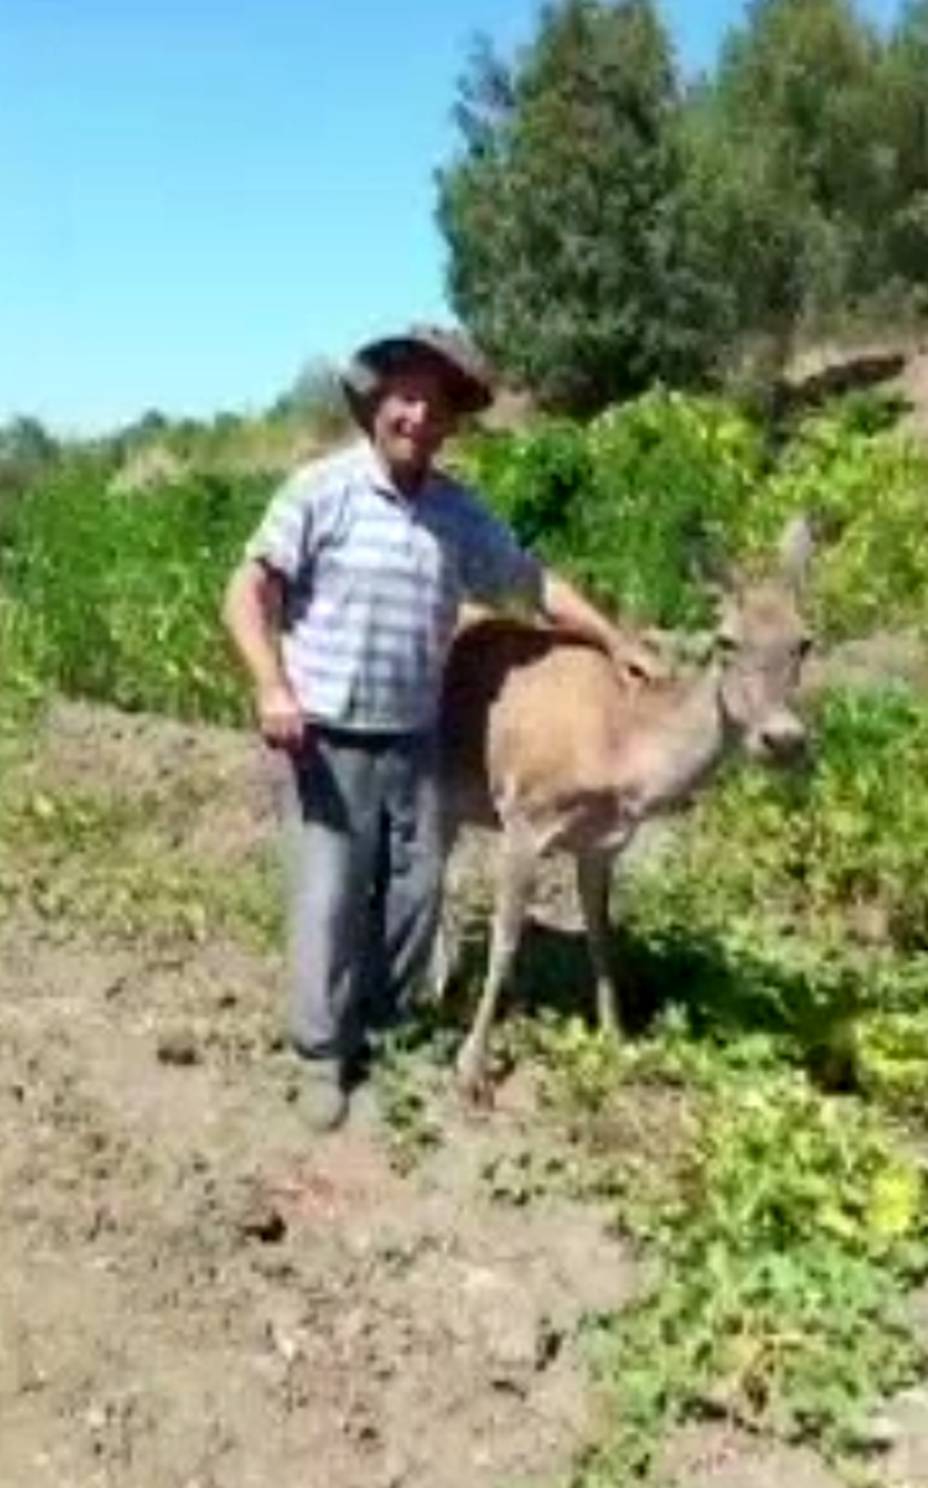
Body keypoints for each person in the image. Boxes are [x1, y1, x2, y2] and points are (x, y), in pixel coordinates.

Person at [222, 325, 655, 1130]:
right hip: (325, 733)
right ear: (376, 403)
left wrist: (613, 638)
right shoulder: (320, 491)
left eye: (437, 402)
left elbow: (531, 583)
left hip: (417, 734)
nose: (419, 414)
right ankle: (324, 1055)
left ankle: (386, 1033)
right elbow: (247, 592)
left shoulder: (458, 513)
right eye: (406, 395)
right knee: (331, 895)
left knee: (415, 896)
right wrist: (270, 684)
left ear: (451, 421)